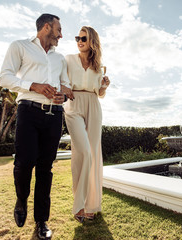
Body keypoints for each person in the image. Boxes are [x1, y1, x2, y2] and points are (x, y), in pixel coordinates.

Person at [0, 13, 72, 240]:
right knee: (24, 162)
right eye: (58, 29)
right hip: (28, 111)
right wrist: (34, 86)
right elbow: (5, 78)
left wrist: (64, 96)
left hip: (54, 116)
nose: (61, 35)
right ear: (47, 27)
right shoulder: (20, 47)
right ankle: (21, 200)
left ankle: (41, 221)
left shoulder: (59, 58)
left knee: (45, 169)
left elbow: (66, 85)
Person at [62, 26, 110, 222]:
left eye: (83, 38)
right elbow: (61, 80)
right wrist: (63, 87)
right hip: (73, 104)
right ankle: (78, 205)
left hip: (93, 104)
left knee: (94, 154)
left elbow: (99, 93)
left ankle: (90, 205)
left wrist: (104, 86)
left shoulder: (99, 66)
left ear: (92, 41)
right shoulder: (68, 60)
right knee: (83, 152)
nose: (79, 41)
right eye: (77, 38)